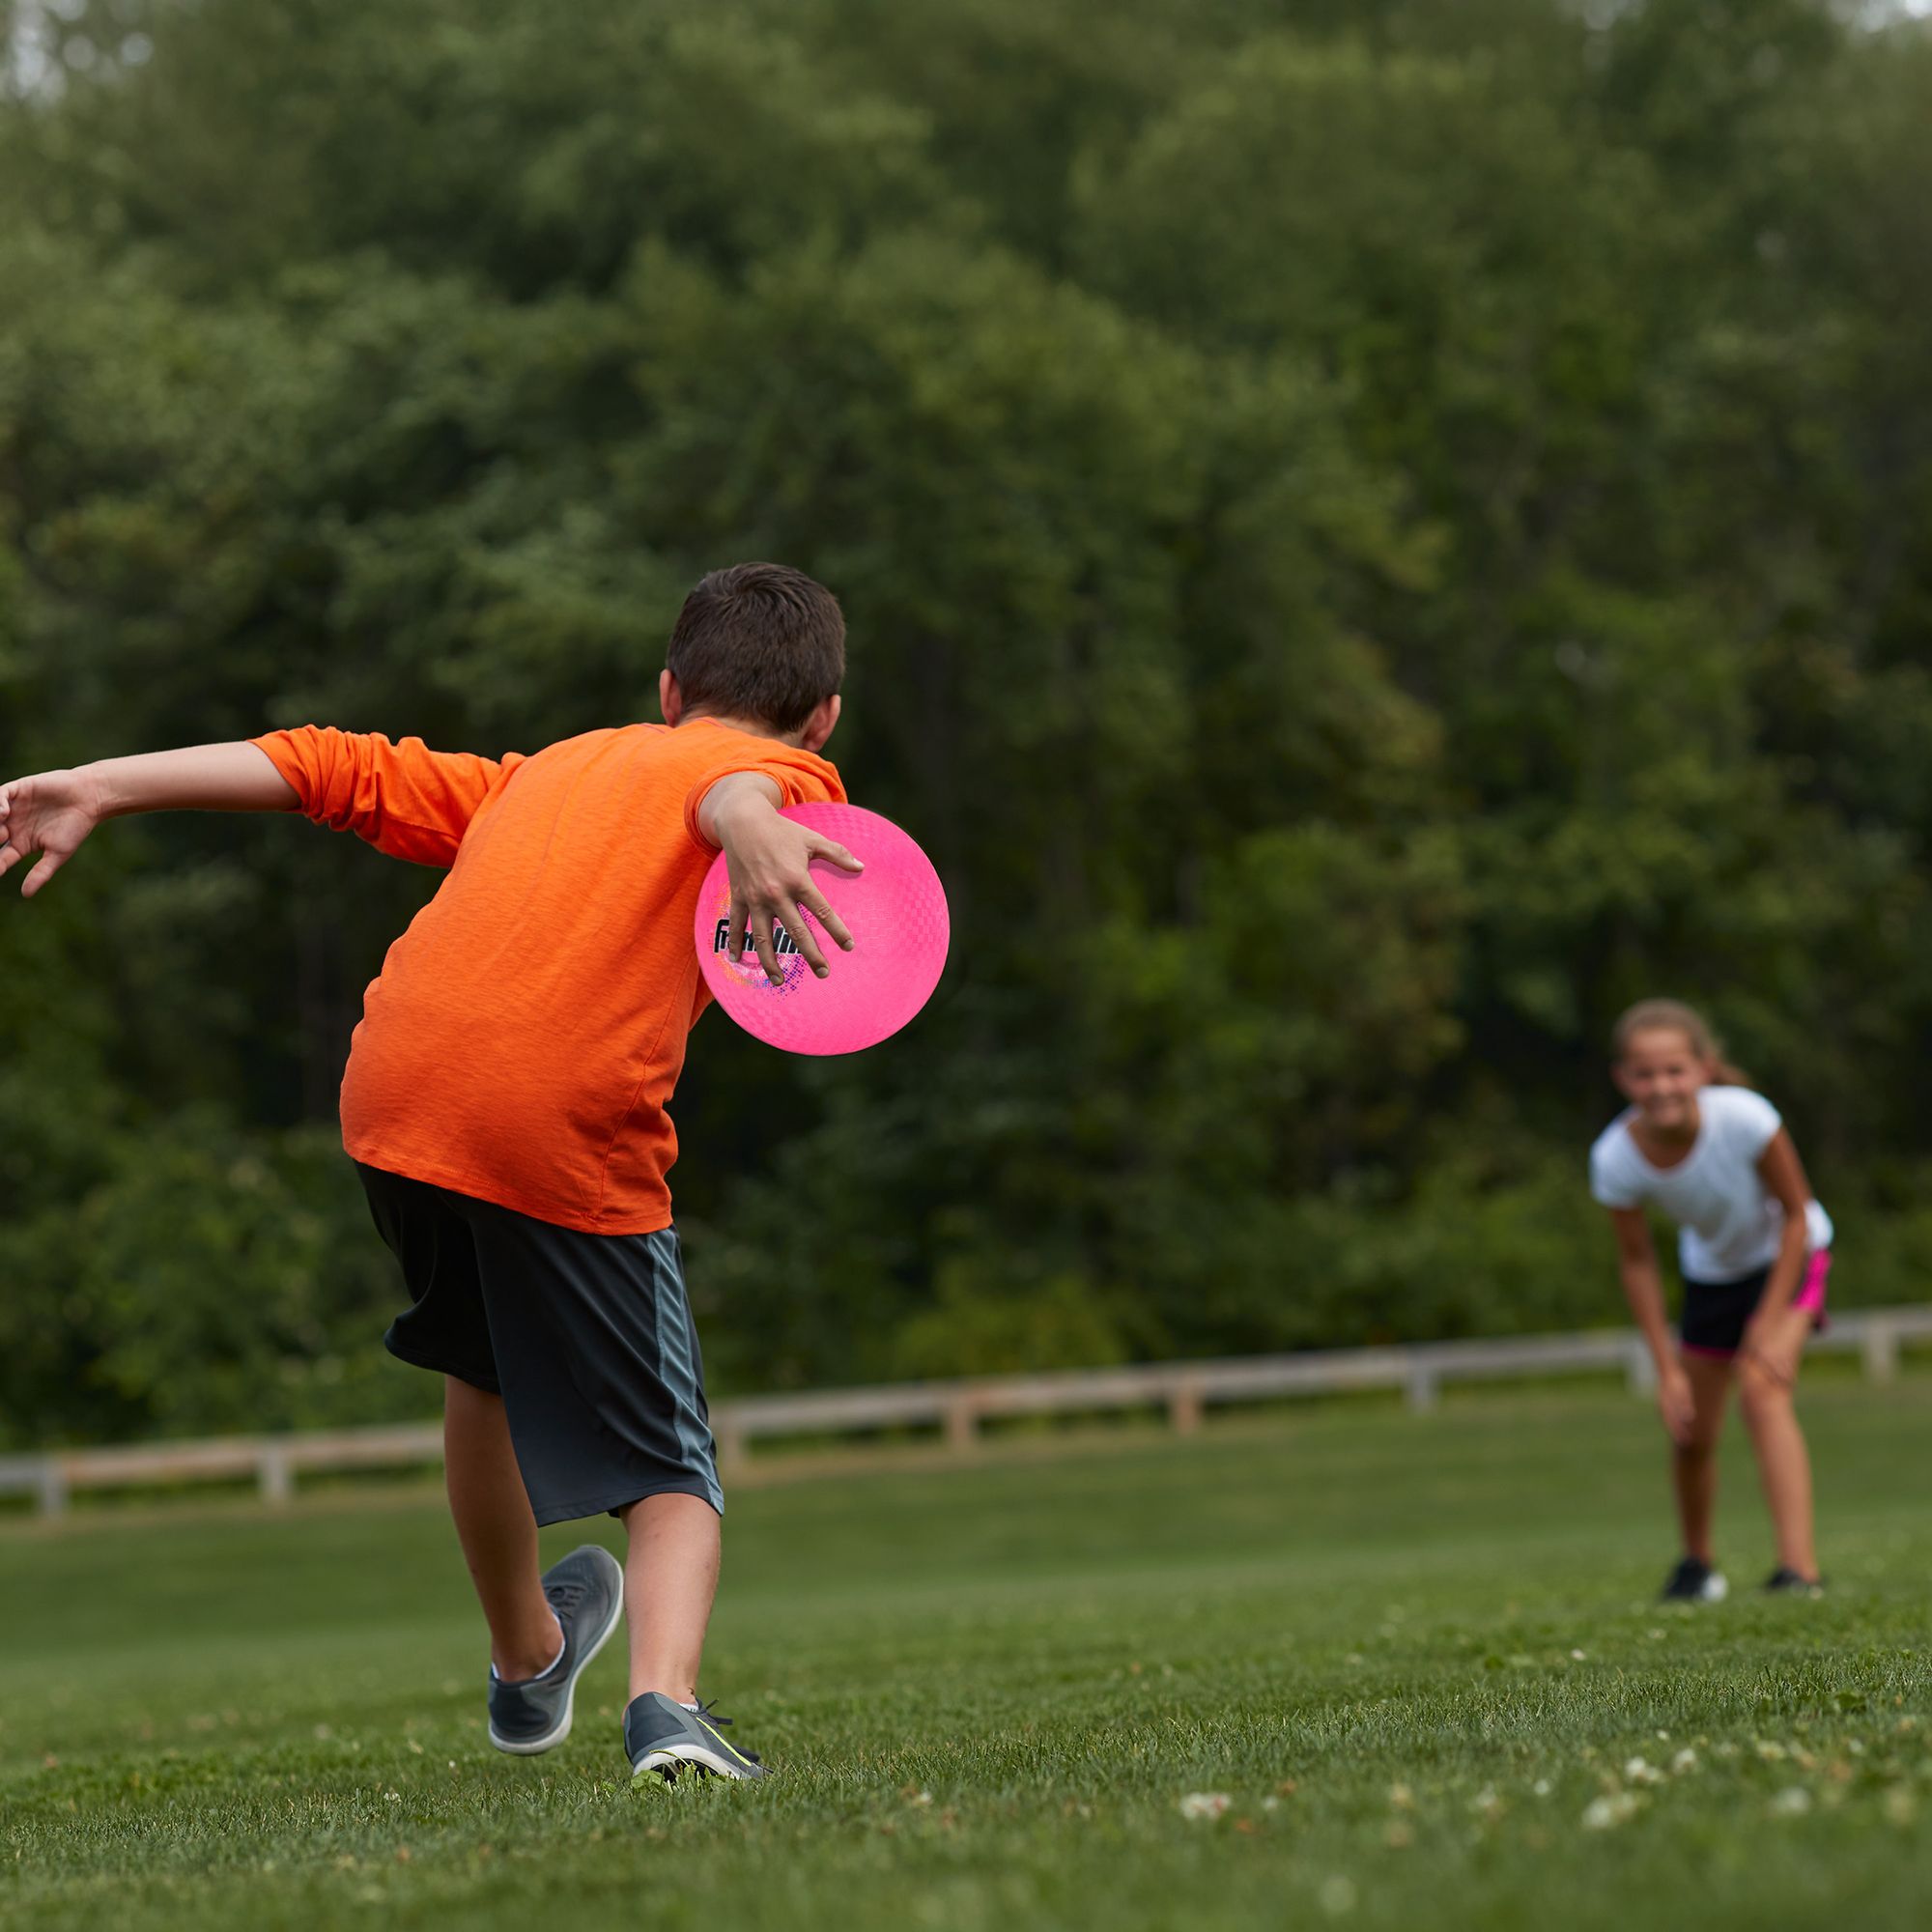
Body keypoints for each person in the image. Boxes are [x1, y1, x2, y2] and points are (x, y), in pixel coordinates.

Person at [0, 561, 862, 1781]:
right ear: (822, 715)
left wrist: (106, 782)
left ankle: (528, 1656)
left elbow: (325, 765)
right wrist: (754, 808)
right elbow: (730, 786)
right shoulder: (787, 780)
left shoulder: (549, 772)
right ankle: (665, 1706)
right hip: (553, 1120)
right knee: (670, 1466)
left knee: (483, 1367)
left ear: (667, 687)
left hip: (396, 1098)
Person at [1589, 998, 1833, 1604]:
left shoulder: (1746, 1119)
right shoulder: (1615, 1157)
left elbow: (1798, 1220)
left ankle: (1798, 1571)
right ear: (1623, 1079)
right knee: (1690, 1426)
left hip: (1791, 1256)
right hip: (1714, 1275)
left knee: (1762, 1389)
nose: (1661, 1086)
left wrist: (1768, 1323)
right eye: (1644, 1074)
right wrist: (1665, 1368)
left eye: (1674, 1070)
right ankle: (1697, 1566)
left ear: (1702, 1069)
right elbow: (1637, 1262)